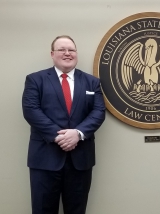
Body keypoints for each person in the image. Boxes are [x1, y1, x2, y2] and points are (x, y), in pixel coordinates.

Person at [22, 35, 106, 214]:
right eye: (62, 49)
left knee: (77, 210)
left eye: (71, 50)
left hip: (80, 160)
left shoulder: (92, 82)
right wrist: (60, 136)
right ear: (52, 54)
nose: (67, 53)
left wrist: (78, 133)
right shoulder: (35, 80)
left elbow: (98, 112)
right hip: (45, 159)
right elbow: (31, 110)